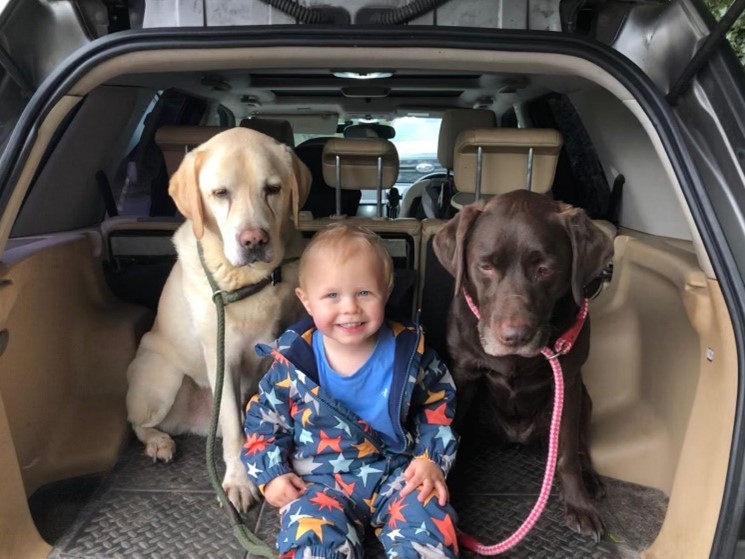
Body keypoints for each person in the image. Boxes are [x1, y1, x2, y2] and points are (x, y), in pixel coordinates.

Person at [242, 222, 459, 559]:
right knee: (310, 534)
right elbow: (263, 426)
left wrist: (431, 458)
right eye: (331, 295)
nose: (349, 308)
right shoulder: (291, 366)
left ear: (386, 293)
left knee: (429, 516)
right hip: (319, 482)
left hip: (398, 473)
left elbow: (438, 405)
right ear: (307, 301)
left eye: (364, 293)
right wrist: (271, 474)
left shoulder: (410, 354)